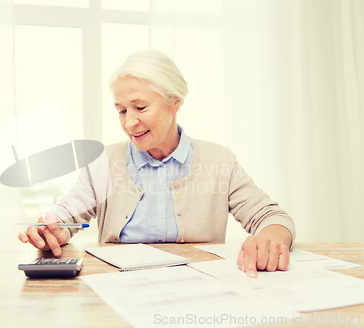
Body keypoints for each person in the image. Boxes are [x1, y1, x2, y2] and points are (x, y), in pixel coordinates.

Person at [18, 50, 295, 278]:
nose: (129, 122)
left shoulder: (219, 160)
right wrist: (49, 230)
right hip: (118, 290)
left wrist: (269, 240)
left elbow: (274, 218)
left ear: (174, 101)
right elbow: (66, 217)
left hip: (199, 291)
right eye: (122, 111)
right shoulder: (103, 162)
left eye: (140, 108)